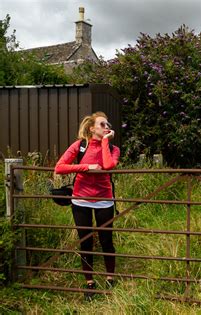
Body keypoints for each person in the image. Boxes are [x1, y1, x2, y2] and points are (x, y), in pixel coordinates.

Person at [55, 111, 120, 300]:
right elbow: (59, 167)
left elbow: (108, 166)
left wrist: (105, 141)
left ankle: (110, 278)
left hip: (104, 199)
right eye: (102, 125)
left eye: (108, 125)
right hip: (80, 200)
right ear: (92, 128)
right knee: (86, 242)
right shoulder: (80, 145)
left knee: (106, 240)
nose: (107, 127)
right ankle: (89, 283)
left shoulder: (113, 148)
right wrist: (86, 167)